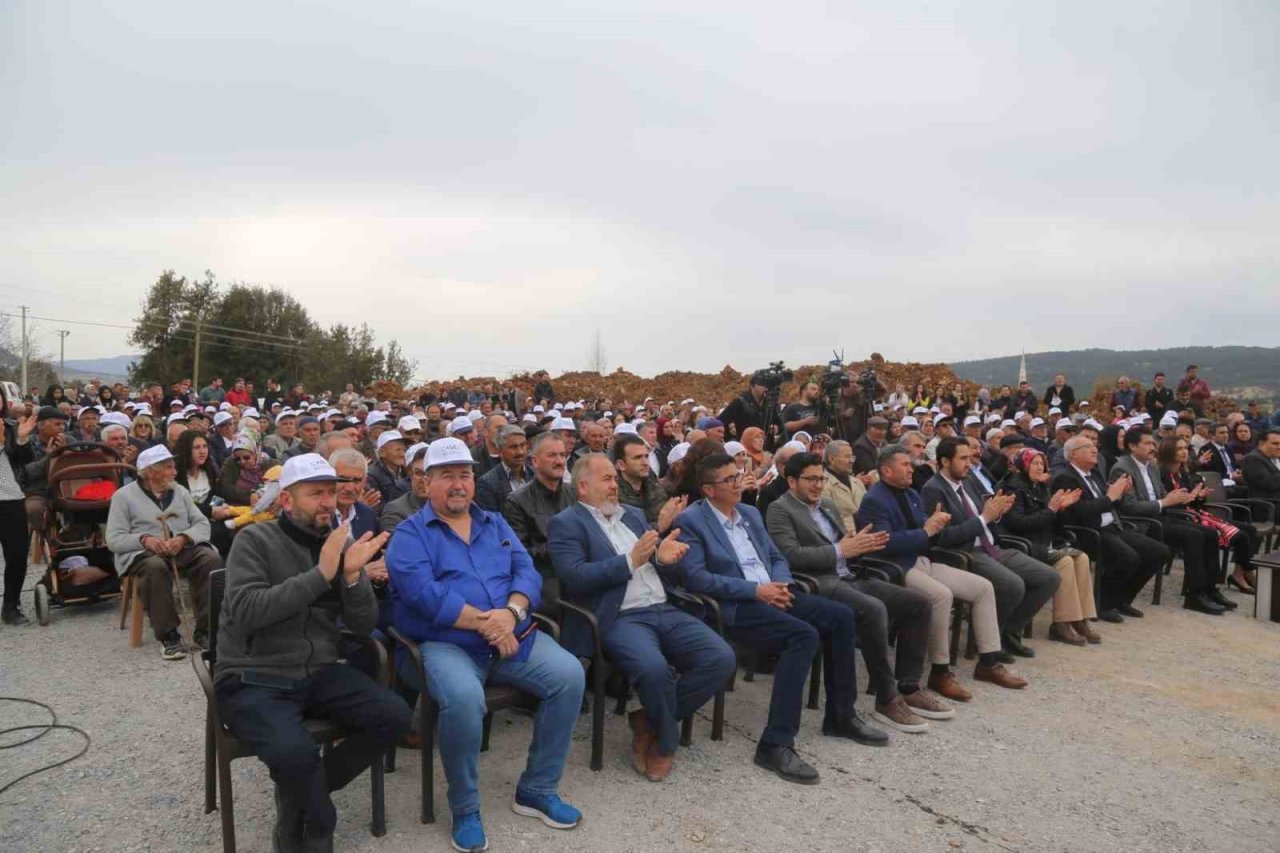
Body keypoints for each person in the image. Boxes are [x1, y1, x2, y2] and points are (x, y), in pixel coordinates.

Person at [387, 438, 583, 851]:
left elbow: (525, 571)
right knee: (462, 699)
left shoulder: (494, 522)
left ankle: (537, 789)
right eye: (447, 476)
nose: (458, 485)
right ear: (426, 481)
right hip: (446, 644)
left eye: (465, 475)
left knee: (569, 675)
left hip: (511, 635)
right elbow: (425, 595)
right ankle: (465, 806)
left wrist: (510, 615)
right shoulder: (409, 534)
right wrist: (488, 623)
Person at [215, 452, 408, 852]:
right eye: (315, 493)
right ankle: (319, 817)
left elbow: (359, 625)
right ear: (286, 500)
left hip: (317, 669)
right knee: (293, 753)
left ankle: (300, 797)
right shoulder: (254, 540)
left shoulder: (337, 544)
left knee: (394, 716)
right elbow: (248, 613)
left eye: (331, 493)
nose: (327, 502)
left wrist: (353, 577)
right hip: (253, 675)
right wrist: (320, 575)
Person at [676, 452, 887, 787]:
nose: (738, 483)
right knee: (802, 636)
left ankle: (841, 715)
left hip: (775, 592)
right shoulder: (691, 521)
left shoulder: (748, 513)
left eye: (738, 475)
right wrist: (757, 591)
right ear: (708, 490)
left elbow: (775, 555)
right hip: (736, 604)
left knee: (842, 616)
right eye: (729, 480)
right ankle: (775, 743)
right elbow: (698, 579)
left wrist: (781, 583)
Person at [549, 454, 735, 781]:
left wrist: (662, 558)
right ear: (582, 486)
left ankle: (648, 719)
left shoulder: (632, 515)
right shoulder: (567, 523)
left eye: (614, 479)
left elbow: (655, 560)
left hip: (662, 605)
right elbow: (574, 576)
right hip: (620, 616)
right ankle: (665, 743)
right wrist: (629, 561)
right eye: (606, 479)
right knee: (653, 669)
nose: (614, 486)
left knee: (720, 658)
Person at [766, 452, 947, 732]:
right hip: (818, 582)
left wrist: (858, 544)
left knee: (918, 603)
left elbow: (843, 546)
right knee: (873, 609)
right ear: (791, 481)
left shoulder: (826, 504)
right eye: (810, 479)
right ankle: (887, 698)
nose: (817, 485)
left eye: (821, 479)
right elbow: (789, 555)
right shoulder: (781, 509)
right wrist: (840, 550)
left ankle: (909, 686)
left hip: (851, 574)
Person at [856, 445, 1024, 701]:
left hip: (922, 559)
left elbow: (929, 534)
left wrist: (935, 526)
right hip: (896, 566)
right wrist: (926, 531)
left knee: (982, 587)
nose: (911, 469)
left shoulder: (911, 493)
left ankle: (988, 662)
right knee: (941, 595)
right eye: (905, 465)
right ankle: (940, 670)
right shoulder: (874, 500)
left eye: (911, 464)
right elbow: (885, 543)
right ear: (886, 470)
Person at [920, 438, 1060, 657]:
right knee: (1013, 585)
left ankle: (1008, 634)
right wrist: (985, 518)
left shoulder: (969, 481)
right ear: (945, 461)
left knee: (1048, 577)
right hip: (965, 552)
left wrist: (998, 512)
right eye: (963, 458)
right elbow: (940, 537)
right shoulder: (933, 489)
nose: (969, 463)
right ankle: (985, 642)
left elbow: (987, 515)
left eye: (969, 458)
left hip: (993, 547)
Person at [105, 445, 223, 659]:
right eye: (168, 468)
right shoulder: (123, 496)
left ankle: (206, 631)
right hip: (144, 554)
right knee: (155, 567)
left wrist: (184, 537)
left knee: (211, 559)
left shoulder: (180, 491)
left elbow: (202, 524)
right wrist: (144, 540)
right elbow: (114, 539)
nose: (174, 472)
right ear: (151, 471)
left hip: (181, 548)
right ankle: (168, 636)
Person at [1109, 427, 1231, 615]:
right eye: (1148, 443)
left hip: (1160, 517)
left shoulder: (1152, 466)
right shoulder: (1122, 468)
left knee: (1208, 533)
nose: (1152, 447)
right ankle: (1194, 595)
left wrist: (1181, 497)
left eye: (1153, 443)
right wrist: (1164, 502)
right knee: (1193, 535)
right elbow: (1128, 507)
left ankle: (1209, 587)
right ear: (1132, 446)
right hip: (1141, 522)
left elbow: (1163, 495)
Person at [1050, 436, 1167, 622]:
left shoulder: (1095, 473)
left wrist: (1121, 493)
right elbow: (1077, 512)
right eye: (1087, 447)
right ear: (1073, 454)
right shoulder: (1065, 478)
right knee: (1128, 557)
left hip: (1112, 526)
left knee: (1158, 551)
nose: (1095, 449)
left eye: (1094, 446)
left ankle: (1122, 599)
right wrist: (1110, 498)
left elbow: (1110, 501)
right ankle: (1102, 604)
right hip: (1087, 531)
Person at [999, 449, 1100, 645]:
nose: (1039, 467)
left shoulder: (1039, 487)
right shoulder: (1014, 488)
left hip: (1044, 541)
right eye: (1034, 463)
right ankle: (1061, 623)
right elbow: (1019, 524)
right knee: (1065, 562)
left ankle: (1080, 619)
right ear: (1022, 465)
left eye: (1041, 463)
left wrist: (1061, 509)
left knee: (1082, 558)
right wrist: (1052, 509)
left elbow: (1052, 523)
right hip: (1025, 545)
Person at [1158, 435, 1259, 595]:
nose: (1184, 452)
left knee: (1249, 529)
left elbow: (1192, 503)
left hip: (1193, 513)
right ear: (1168, 451)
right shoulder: (1161, 473)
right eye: (1179, 448)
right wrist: (1191, 497)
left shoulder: (1184, 473)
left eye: (1185, 448)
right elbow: (1168, 504)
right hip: (1179, 517)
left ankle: (1239, 574)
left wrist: (1198, 497)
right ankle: (1235, 578)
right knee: (1239, 536)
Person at [504, 432, 576, 581]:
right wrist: (562, 547)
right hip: (545, 579)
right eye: (552, 455)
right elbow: (519, 553)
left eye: (562, 455)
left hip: (580, 571)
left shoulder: (575, 493)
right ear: (535, 461)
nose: (559, 461)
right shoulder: (517, 501)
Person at [0, 394, 38, 626]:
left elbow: (27, 461)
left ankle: (11, 605)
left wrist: (22, 440)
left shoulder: (12, 426)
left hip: (10, 498)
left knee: (16, 555)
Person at [173, 430, 234, 558]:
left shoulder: (208, 470)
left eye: (205, 446)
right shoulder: (176, 475)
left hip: (209, 518)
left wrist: (218, 508)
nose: (202, 451)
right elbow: (182, 505)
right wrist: (211, 511)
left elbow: (216, 494)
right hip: (186, 522)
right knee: (217, 532)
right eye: (196, 447)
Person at [475, 425, 532, 513]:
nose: (520, 452)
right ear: (499, 451)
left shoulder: (536, 475)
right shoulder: (487, 483)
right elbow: (491, 521)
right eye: (513, 447)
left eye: (523, 445)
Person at [821, 439, 869, 530]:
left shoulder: (857, 482)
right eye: (847, 457)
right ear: (832, 459)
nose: (851, 461)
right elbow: (829, 519)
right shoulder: (823, 485)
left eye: (852, 457)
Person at [718, 373, 771, 443]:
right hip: (745, 446)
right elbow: (721, 421)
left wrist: (776, 428)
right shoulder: (740, 402)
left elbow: (780, 423)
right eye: (762, 384)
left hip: (766, 446)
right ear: (752, 386)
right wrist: (731, 440)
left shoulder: (769, 403)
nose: (765, 388)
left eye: (767, 385)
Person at [1241, 428, 1280, 509]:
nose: (1279, 447)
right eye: (1275, 444)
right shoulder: (1252, 459)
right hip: (1268, 506)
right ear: (1261, 443)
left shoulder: (1275, 457)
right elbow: (1270, 483)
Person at [366, 430, 408, 504]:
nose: (402, 454)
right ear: (382, 453)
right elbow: (377, 506)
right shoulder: (371, 475)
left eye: (404, 450)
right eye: (398, 450)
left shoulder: (408, 471)